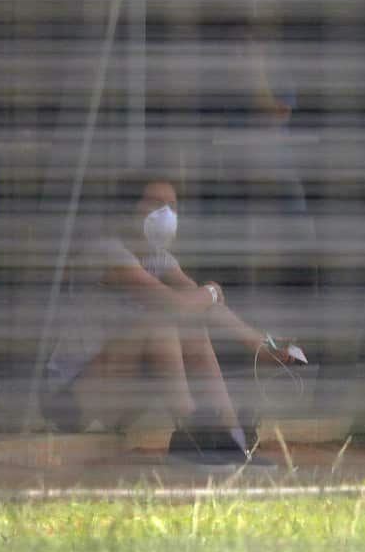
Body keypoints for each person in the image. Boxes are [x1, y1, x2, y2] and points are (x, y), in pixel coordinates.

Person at [43, 171, 306, 465]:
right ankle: (191, 432)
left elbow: (204, 306)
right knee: (161, 324)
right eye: (155, 203)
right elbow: (176, 304)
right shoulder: (108, 252)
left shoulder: (159, 258)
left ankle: (235, 440)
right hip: (74, 400)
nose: (166, 213)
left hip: (118, 398)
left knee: (192, 329)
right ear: (128, 209)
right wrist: (210, 292)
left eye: (172, 205)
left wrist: (265, 345)